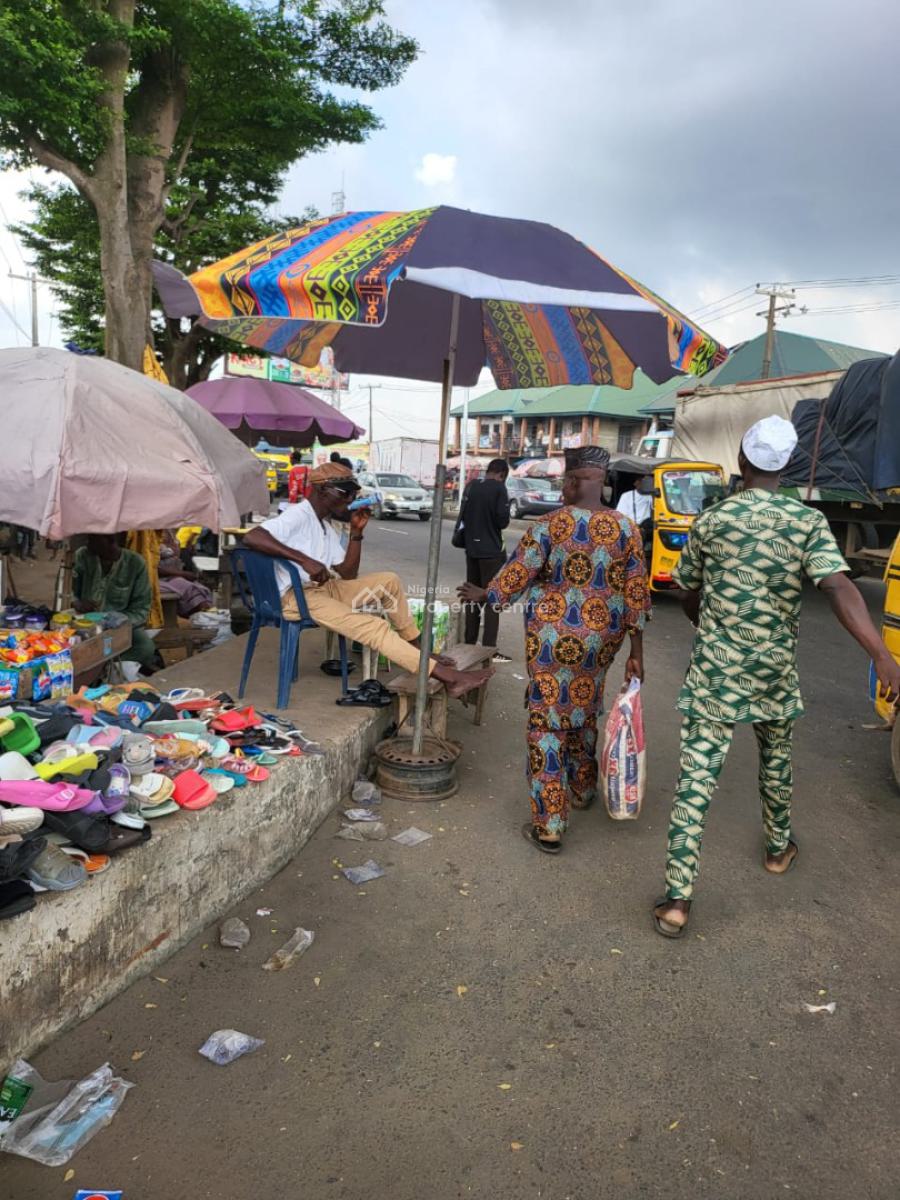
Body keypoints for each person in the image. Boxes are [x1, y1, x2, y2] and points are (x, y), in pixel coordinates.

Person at [653, 416, 900, 938]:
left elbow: (685, 588)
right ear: (783, 468)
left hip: (716, 674)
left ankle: (677, 900)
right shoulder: (807, 523)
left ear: (742, 461)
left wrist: (701, 614)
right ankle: (776, 850)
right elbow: (837, 587)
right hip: (773, 674)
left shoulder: (712, 521)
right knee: (776, 763)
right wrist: (880, 653)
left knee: (695, 783)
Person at [458, 446, 651, 853]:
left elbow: (515, 576)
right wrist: (637, 652)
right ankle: (581, 789)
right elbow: (636, 593)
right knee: (584, 702)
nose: (561, 487)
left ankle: (550, 824)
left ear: (576, 481)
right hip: (602, 642)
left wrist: (484, 593)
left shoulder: (548, 526)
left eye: (565, 480)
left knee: (546, 721)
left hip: (552, 641)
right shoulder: (627, 529)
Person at [242, 462, 493, 697]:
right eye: (345, 493)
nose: (350, 499)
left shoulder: (325, 526)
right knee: (375, 627)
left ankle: (420, 653)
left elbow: (348, 574)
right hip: (295, 597)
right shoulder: (298, 514)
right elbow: (253, 537)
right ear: (321, 490)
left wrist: (356, 533)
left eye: (353, 493)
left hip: (324, 589)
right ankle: (450, 678)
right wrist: (303, 560)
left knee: (389, 581)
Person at [72, 534, 157, 671]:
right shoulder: (82, 556)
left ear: (111, 540)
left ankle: (103, 668)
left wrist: (121, 620)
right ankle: (93, 668)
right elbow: (68, 591)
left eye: (93, 539)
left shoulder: (135, 564)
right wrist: (76, 603)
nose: (88, 543)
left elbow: (141, 609)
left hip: (118, 625)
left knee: (145, 648)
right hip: (83, 620)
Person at [458, 458, 511, 662]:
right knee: (491, 599)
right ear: (502, 474)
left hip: (471, 549)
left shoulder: (471, 486)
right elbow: (503, 521)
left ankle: (468, 644)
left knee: (471, 596)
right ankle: (489, 650)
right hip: (492, 553)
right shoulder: (499, 489)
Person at [158, 529, 213, 617]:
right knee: (189, 588)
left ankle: (205, 616)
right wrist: (182, 574)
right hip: (159, 579)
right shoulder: (149, 539)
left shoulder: (171, 534)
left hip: (173, 577)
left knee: (201, 588)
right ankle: (206, 616)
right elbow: (155, 568)